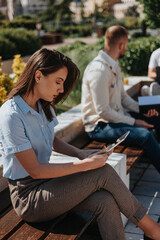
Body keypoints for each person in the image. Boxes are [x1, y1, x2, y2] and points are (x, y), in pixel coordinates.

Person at [0, 48, 160, 240]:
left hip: (49, 185)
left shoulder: (42, 106)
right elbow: (34, 170)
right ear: (38, 76)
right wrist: (83, 165)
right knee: (103, 172)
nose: (61, 90)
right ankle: (152, 230)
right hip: (29, 197)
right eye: (58, 82)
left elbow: (52, 140)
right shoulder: (11, 114)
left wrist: (81, 154)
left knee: (105, 200)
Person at [81, 25, 160, 175]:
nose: (126, 48)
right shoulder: (99, 71)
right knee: (145, 135)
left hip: (116, 118)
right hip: (99, 126)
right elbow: (103, 111)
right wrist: (135, 122)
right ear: (121, 45)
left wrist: (142, 111)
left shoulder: (114, 66)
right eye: (127, 44)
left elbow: (123, 98)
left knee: (156, 116)